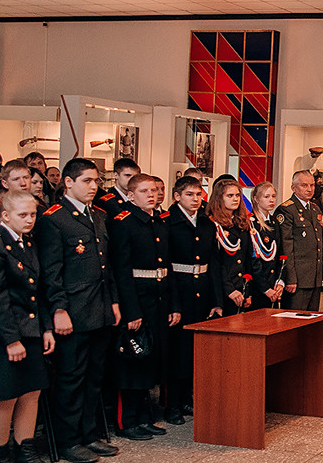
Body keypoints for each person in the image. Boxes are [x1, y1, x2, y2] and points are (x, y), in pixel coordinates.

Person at [37, 157, 120, 463]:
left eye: (96, 181)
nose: (93, 186)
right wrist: (59, 309)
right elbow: (52, 271)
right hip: (73, 310)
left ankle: (88, 433)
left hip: (99, 307)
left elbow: (105, 265)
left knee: (94, 376)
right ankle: (67, 439)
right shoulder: (54, 218)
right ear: (68, 182)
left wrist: (113, 301)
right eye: (87, 180)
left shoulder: (98, 215)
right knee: (71, 377)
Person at [0, 192, 59, 463]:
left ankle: (26, 452)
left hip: (30, 328)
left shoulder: (28, 241)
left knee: (31, 391)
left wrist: (46, 328)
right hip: (1, 333)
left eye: (33, 214)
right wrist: (11, 340)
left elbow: (38, 291)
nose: (29, 219)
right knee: (6, 397)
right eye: (23, 215)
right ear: (6, 215)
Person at [108, 173, 179, 440]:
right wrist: (132, 311)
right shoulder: (123, 222)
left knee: (151, 359)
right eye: (144, 191)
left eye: (154, 191)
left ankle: (143, 417)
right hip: (137, 300)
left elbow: (167, 266)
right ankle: (126, 421)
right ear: (130, 195)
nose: (152, 195)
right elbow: (121, 271)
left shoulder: (158, 222)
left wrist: (173, 305)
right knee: (132, 362)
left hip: (159, 298)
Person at [165, 175, 222, 423]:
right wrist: (173, 303)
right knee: (177, 352)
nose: (195, 199)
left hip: (202, 291)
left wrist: (217, 301)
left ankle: (188, 398)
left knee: (195, 351)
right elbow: (166, 265)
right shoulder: (168, 222)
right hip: (180, 291)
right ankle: (172, 404)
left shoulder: (207, 223)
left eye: (199, 194)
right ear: (177, 196)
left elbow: (214, 264)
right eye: (189, 194)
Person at [276, 170, 323, 312]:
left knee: (312, 318)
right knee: (294, 319)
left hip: (314, 276)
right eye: (304, 185)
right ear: (293, 187)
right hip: (298, 279)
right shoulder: (286, 210)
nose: (309, 189)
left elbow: (320, 242)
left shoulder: (315, 209)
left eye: (312, 185)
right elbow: (286, 247)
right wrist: (290, 278)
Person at [208, 177, 252, 316]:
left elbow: (246, 260)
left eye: (237, 195)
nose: (235, 199)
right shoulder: (212, 224)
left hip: (241, 289)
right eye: (230, 196)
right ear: (219, 198)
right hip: (222, 291)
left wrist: (247, 291)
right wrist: (230, 290)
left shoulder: (241, 224)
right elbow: (216, 263)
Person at [247, 182, 286, 310]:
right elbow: (253, 260)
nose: (271, 200)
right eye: (266, 196)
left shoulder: (274, 222)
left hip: (273, 284)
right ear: (256, 199)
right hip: (257, 287)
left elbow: (280, 253)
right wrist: (265, 289)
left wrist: (280, 281)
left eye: (273, 196)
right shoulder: (250, 223)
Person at [0, 158, 33, 224]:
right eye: (16, 179)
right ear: (5, 184)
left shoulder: (40, 208)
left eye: (26, 178)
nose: (23, 183)